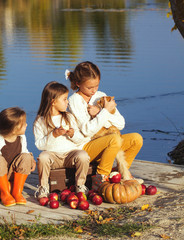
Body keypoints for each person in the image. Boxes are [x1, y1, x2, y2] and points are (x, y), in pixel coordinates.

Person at [67, 61, 143, 190]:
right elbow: (87, 130)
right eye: (89, 87)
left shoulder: (101, 96)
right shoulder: (74, 101)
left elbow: (120, 123)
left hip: (107, 142)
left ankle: (118, 174)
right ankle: (101, 178)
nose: (93, 90)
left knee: (136, 139)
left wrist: (100, 113)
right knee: (114, 139)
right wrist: (105, 112)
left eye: (96, 86)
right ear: (78, 84)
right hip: (86, 147)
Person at [33, 81, 91, 199]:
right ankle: (43, 188)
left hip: (70, 155)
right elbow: (39, 145)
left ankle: (80, 186)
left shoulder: (68, 117)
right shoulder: (41, 121)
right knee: (43, 157)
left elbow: (79, 140)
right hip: (53, 156)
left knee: (83, 155)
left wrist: (73, 134)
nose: (67, 102)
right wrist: (54, 134)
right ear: (53, 102)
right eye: (64, 99)